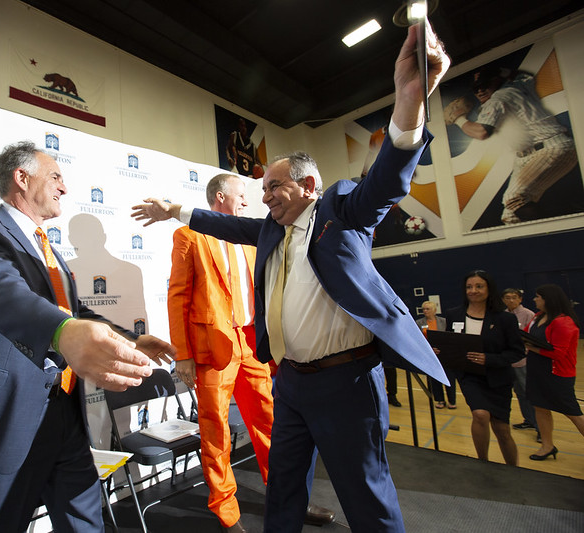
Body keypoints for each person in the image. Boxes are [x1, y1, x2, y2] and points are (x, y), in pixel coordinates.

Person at [132, 21, 451, 533]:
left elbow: (388, 178)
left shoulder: (342, 210)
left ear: (308, 184)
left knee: (364, 495)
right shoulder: (272, 232)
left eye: (274, 186)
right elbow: (226, 222)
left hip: (346, 382)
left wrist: (410, 101)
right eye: (262, 190)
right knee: (282, 485)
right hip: (292, 384)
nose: (266, 196)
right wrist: (174, 209)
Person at [0, 141, 175, 532]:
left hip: (66, 413)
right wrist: (62, 330)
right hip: (10, 417)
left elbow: (76, 315)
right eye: (56, 177)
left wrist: (130, 339)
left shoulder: (49, 248)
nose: (65, 188)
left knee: (86, 521)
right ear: (22, 177)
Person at [168, 173, 334, 532]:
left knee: (272, 426)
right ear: (219, 197)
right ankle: (226, 511)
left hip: (253, 345)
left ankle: (289, 499)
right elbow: (178, 295)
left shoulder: (253, 238)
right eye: (241, 195)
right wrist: (182, 354)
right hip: (212, 349)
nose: (248, 201)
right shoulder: (188, 235)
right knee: (216, 432)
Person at [449, 65, 578, 225]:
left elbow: (481, 132)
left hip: (550, 148)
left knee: (513, 198)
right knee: (510, 216)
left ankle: (569, 223)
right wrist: (501, 71)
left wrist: (458, 118)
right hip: (531, 153)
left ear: (496, 82)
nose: (480, 91)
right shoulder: (518, 85)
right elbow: (523, 76)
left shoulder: (497, 100)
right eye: (476, 88)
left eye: (485, 85)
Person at [443, 271, 524, 466]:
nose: (473, 291)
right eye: (469, 287)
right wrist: (440, 350)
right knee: (480, 415)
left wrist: (489, 359)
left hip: (498, 379)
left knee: (502, 429)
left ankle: (514, 470)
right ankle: (482, 464)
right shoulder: (454, 314)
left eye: (479, 286)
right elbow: (449, 343)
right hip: (469, 376)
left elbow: (517, 352)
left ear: (489, 289)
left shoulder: (505, 319)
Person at [524, 284, 584, 461]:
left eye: (537, 297)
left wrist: (531, 348)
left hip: (557, 374)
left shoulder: (564, 322)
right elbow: (527, 334)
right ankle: (547, 446)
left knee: (572, 412)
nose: (535, 299)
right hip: (537, 371)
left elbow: (559, 353)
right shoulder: (538, 316)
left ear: (547, 299)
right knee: (540, 407)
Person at [502, 288, 537, 432]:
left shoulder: (528, 314)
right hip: (508, 361)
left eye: (514, 297)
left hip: (523, 361)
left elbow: (532, 338)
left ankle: (539, 427)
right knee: (519, 392)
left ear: (520, 299)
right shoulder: (503, 315)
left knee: (529, 392)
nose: (511, 300)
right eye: (508, 297)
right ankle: (528, 420)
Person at [416, 301, 454, 409]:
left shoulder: (444, 321)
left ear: (434, 310)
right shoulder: (419, 323)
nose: (425, 311)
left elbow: (449, 337)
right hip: (430, 355)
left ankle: (452, 400)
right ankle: (440, 400)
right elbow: (419, 340)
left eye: (428, 309)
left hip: (444, 354)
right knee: (434, 379)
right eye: (424, 309)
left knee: (449, 377)